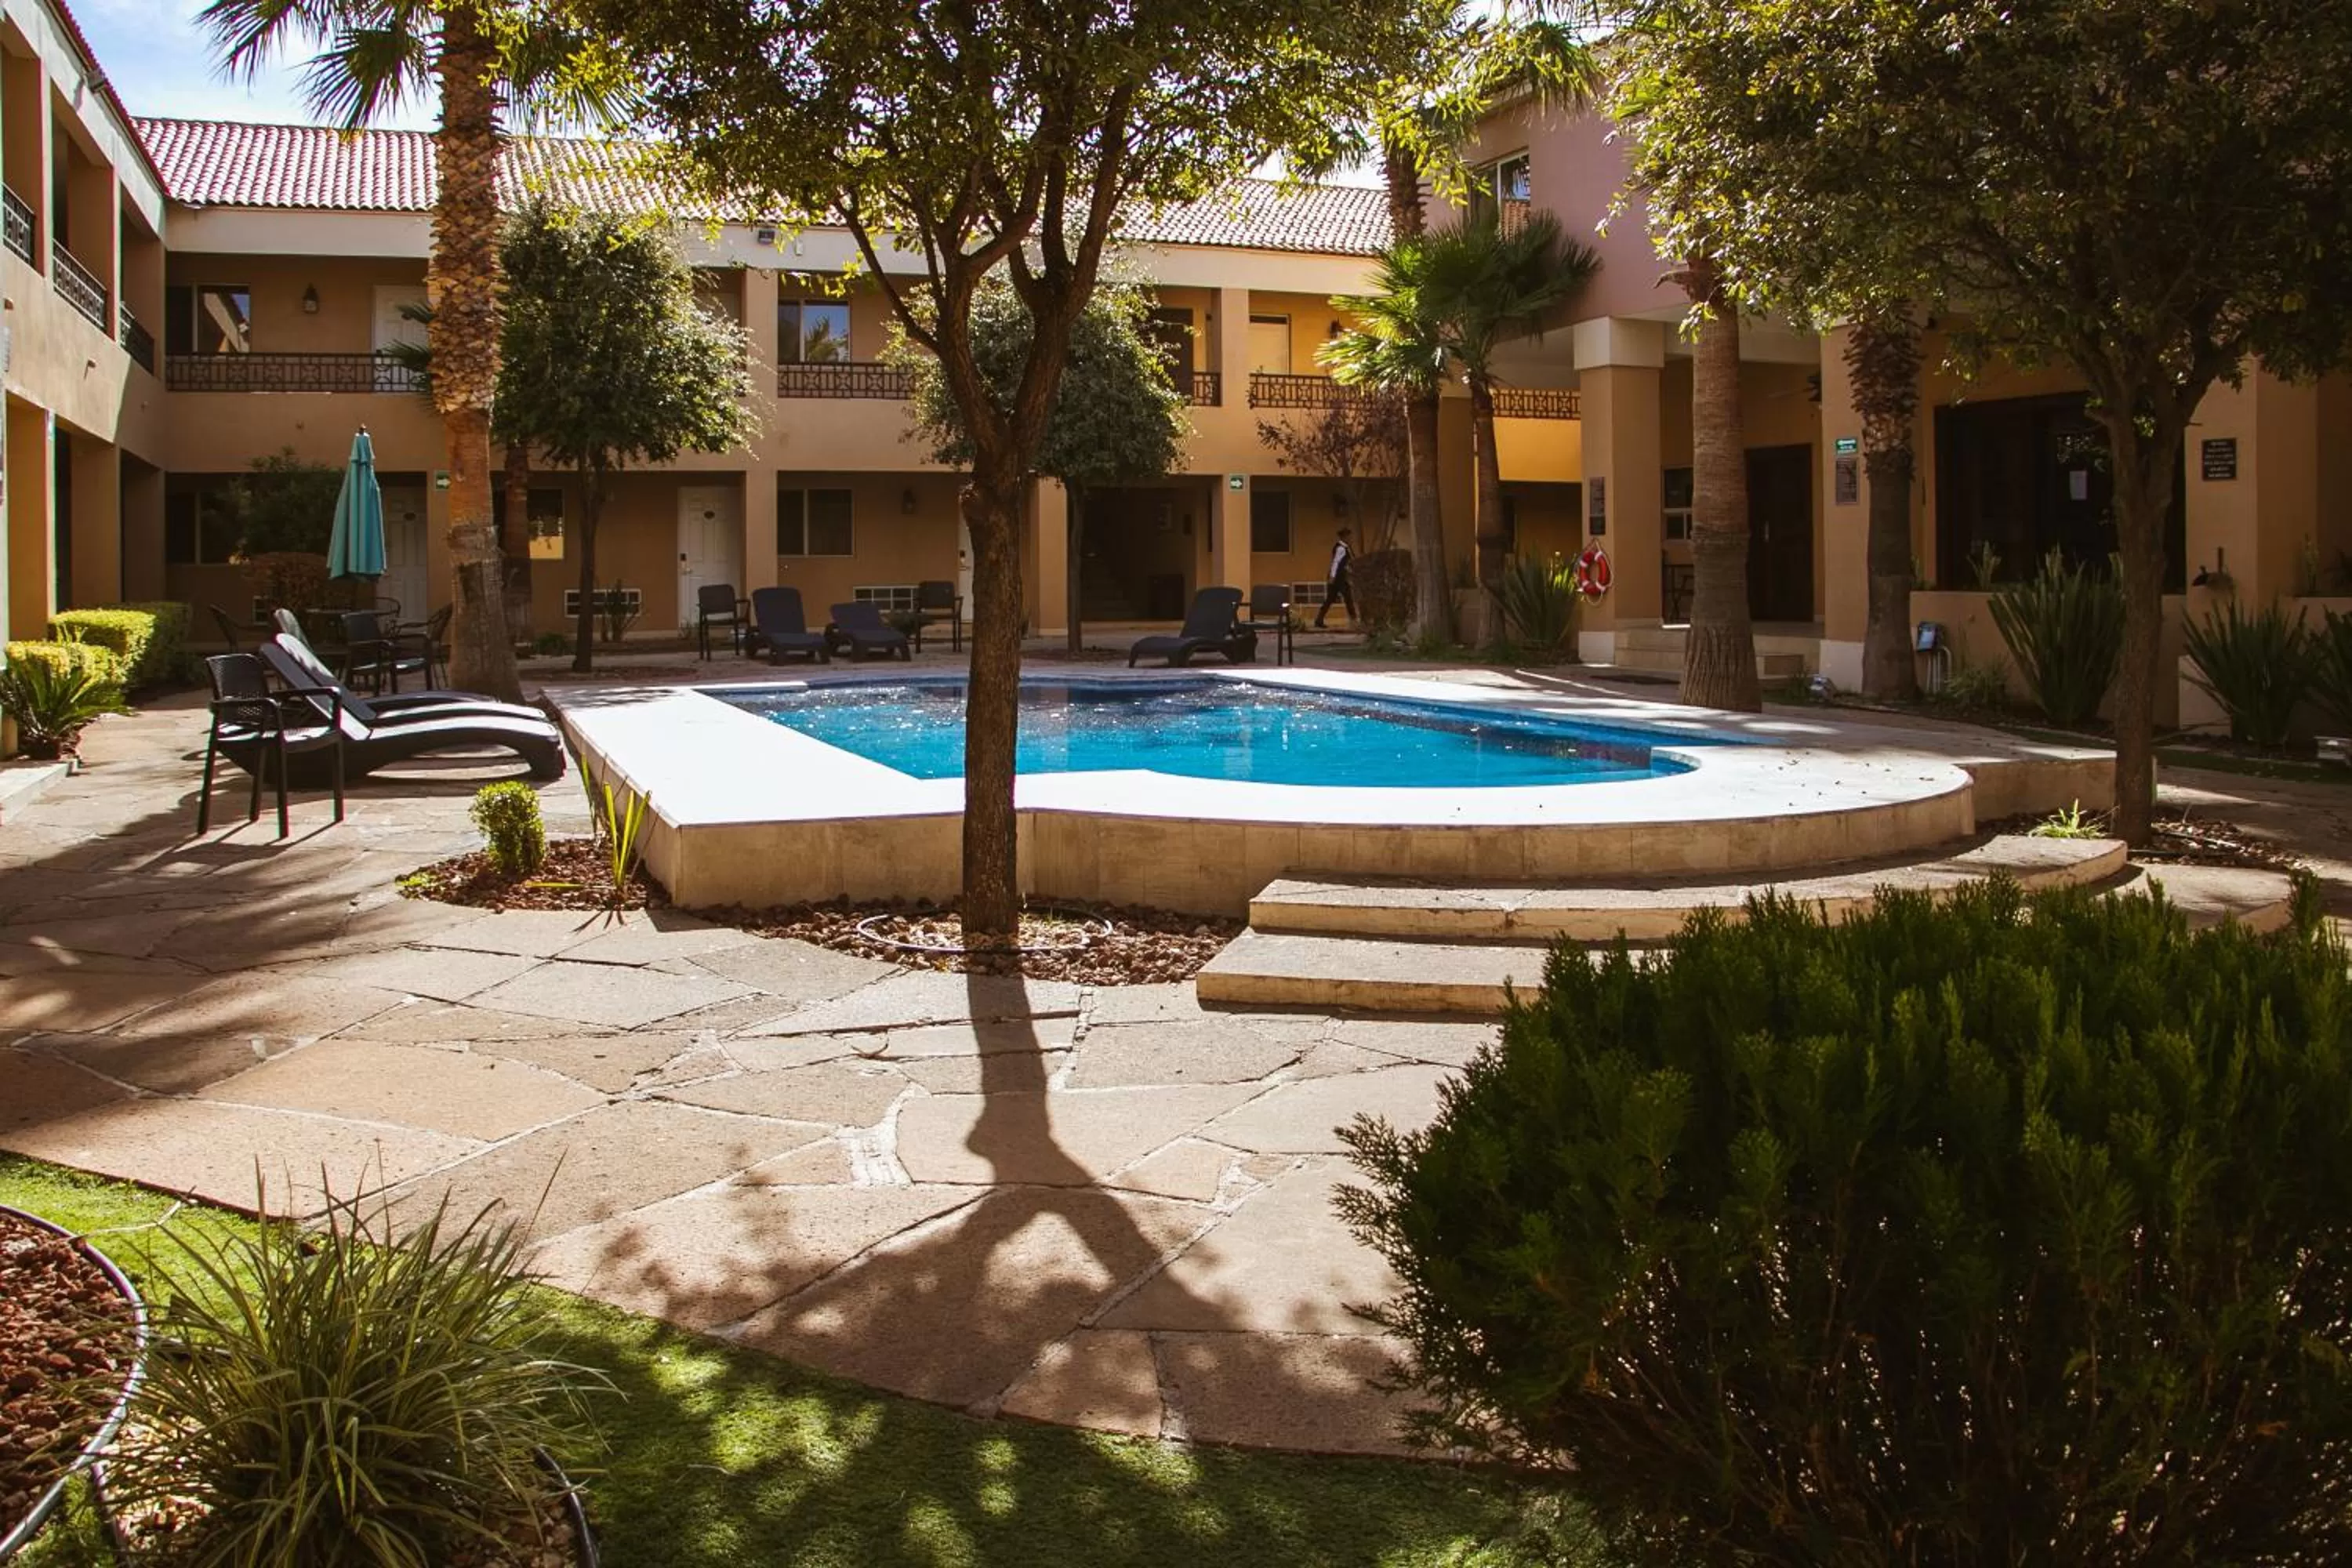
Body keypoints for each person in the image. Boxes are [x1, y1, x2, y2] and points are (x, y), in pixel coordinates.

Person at [1315, 527, 1356, 629]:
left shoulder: (1346, 548)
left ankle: (1319, 620)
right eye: (1349, 536)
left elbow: (1345, 564)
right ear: (1344, 537)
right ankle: (1354, 621)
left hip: (1341, 577)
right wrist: (1332, 577)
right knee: (1348, 598)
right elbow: (1336, 563)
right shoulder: (1341, 548)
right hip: (1338, 578)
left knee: (1331, 599)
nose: (1350, 538)